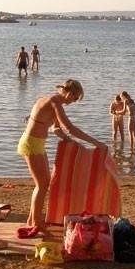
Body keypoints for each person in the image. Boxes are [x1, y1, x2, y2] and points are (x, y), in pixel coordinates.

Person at [17, 80, 106, 236]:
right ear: (69, 93)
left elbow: (56, 129)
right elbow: (69, 128)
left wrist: (71, 142)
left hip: (37, 144)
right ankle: (37, 223)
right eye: (75, 98)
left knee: (44, 183)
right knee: (42, 185)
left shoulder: (56, 103)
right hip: (31, 143)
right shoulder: (54, 102)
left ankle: (32, 220)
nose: (74, 101)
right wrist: (96, 142)